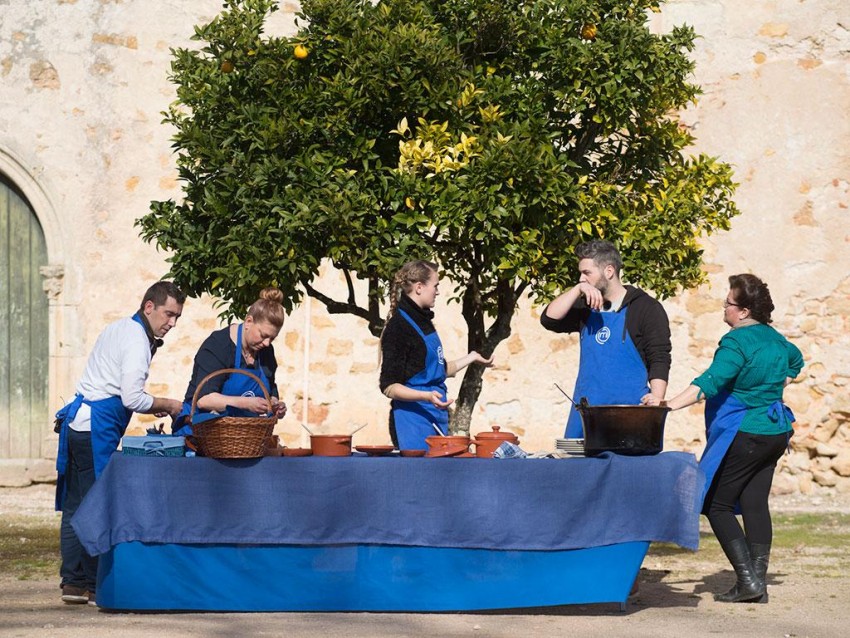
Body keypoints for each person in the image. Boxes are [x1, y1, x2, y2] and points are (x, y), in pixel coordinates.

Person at [642, 274, 804, 603]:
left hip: (748, 432)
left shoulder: (736, 342)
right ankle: (755, 585)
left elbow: (709, 382)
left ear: (743, 311)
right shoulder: (776, 339)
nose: (723, 308)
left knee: (715, 504)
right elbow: (796, 361)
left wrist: (666, 405)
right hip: (775, 432)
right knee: (755, 503)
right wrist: (773, 386)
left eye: (728, 303)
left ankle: (748, 581)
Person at [53, 280, 187, 605]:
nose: (172, 323)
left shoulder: (118, 328)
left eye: (177, 317)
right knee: (95, 506)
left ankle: (73, 583)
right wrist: (169, 404)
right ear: (149, 307)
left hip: (77, 425)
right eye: (169, 314)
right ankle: (93, 584)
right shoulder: (137, 340)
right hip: (94, 429)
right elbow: (132, 398)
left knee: (75, 505)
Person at [541, 240, 671, 437]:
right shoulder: (584, 307)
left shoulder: (646, 308)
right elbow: (549, 320)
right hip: (587, 414)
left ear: (609, 271)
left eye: (587, 273)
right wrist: (577, 290)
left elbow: (659, 356)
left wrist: (656, 400)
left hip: (630, 413)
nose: (581, 279)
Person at [379, 260, 493, 450]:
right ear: (419, 287)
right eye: (436, 286)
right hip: (413, 420)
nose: (438, 292)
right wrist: (426, 396)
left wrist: (472, 357)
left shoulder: (423, 320)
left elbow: (435, 370)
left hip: (435, 415)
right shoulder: (399, 327)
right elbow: (389, 386)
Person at [172, 287, 287, 435]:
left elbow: (270, 387)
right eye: (263, 335)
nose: (267, 343)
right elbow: (204, 399)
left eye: (272, 338)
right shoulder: (218, 345)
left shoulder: (266, 351)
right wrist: (245, 403)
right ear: (248, 322)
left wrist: (275, 404)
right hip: (202, 433)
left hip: (241, 438)